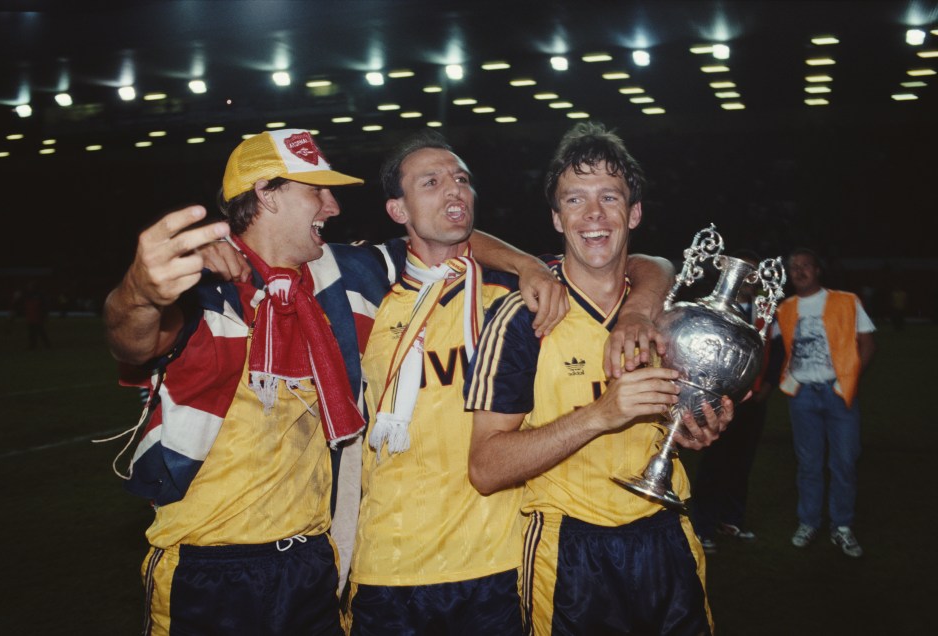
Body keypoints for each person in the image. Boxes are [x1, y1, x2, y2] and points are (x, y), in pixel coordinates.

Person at [105, 128, 571, 634]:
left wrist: (527, 265)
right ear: (266, 193)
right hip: (210, 567)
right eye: (316, 191)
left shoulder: (345, 277)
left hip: (313, 566)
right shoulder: (204, 288)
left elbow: (446, 235)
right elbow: (133, 340)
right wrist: (140, 292)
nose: (332, 206)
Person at [346, 130, 676, 635]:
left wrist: (639, 304)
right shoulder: (364, 291)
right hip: (389, 561)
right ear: (397, 210)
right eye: (431, 182)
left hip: (496, 561)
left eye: (462, 179)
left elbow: (641, 263)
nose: (454, 190)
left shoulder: (518, 295)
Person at [465, 122, 733, 635]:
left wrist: (697, 427)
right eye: (575, 199)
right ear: (556, 217)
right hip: (569, 550)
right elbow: (485, 467)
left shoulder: (669, 311)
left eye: (609, 197)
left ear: (633, 213)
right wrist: (601, 415)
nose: (593, 215)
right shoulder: (524, 316)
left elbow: (680, 409)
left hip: (667, 536)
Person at [773, 247, 875, 558]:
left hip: (837, 391)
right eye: (794, 267)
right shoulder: (785, 308)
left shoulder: (846, 300)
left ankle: (842, 526)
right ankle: (809, 521)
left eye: (805, 265)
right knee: (808, 464)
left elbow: (867, 342)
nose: (799, 271)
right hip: (802, 394)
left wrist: (849, 379)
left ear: (818, 270)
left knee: (844, 462)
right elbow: (768, 343)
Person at [689, 250, 784, 552]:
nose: (748, 278)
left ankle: (732, 519)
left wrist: (768, 385)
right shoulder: (715, 307)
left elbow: (778, 351)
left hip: (755, 400)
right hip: (722, 401)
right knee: (715, 463)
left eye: (753, 274)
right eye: (744, 272)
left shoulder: (767, 308)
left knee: (743, 461)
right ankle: (702, 526)